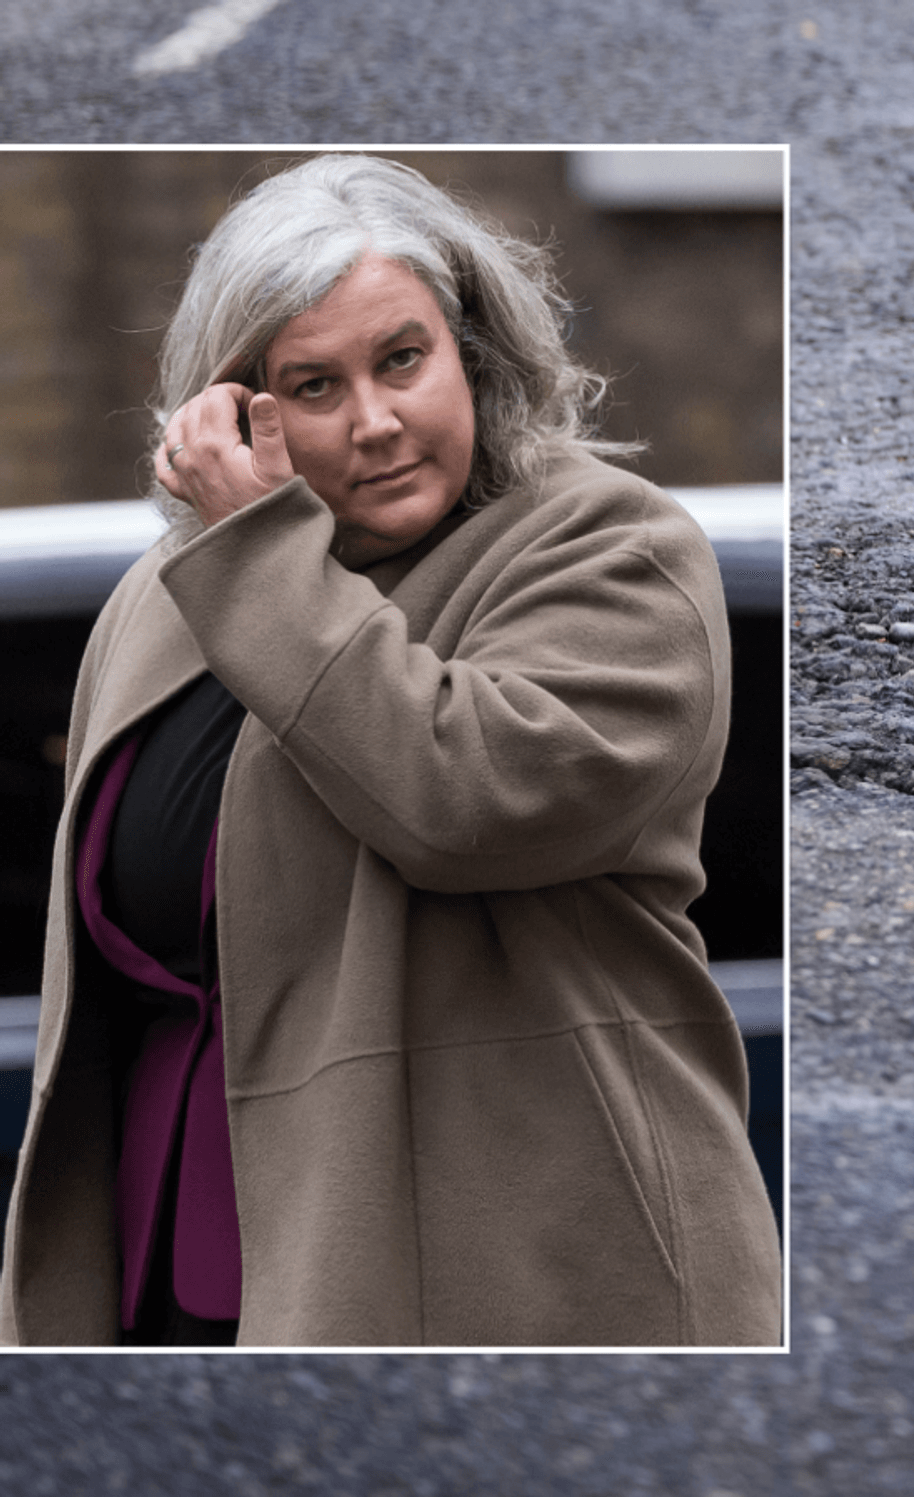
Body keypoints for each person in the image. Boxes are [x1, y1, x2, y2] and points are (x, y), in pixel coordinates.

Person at [0, 153, 782, 1346]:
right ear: (231, 411)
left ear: (473, 351)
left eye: (403, 359)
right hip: (189, 1246)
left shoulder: (611, 550)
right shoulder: (170, 595)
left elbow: (460, 797)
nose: (376, 421)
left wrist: (259, 552)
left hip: (525, 1271)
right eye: (314, 384)